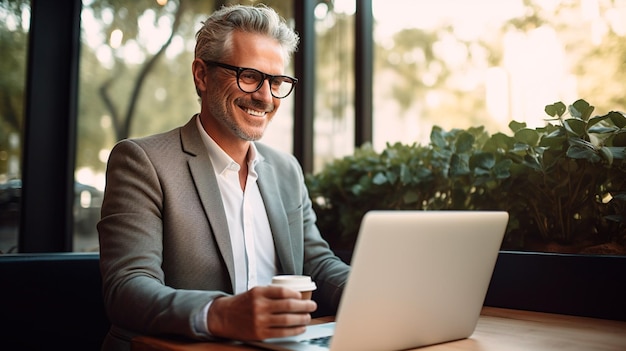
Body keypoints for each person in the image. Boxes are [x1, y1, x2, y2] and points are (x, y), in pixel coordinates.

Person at [97, 4, 350, 351]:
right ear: (202, 75)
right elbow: (127, 288)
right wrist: (220, 314)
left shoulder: (286, 170)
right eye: (249, 75)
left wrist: (372, 292)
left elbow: (317, 264)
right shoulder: (143, 162)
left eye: (277, 81)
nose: (265, 96)